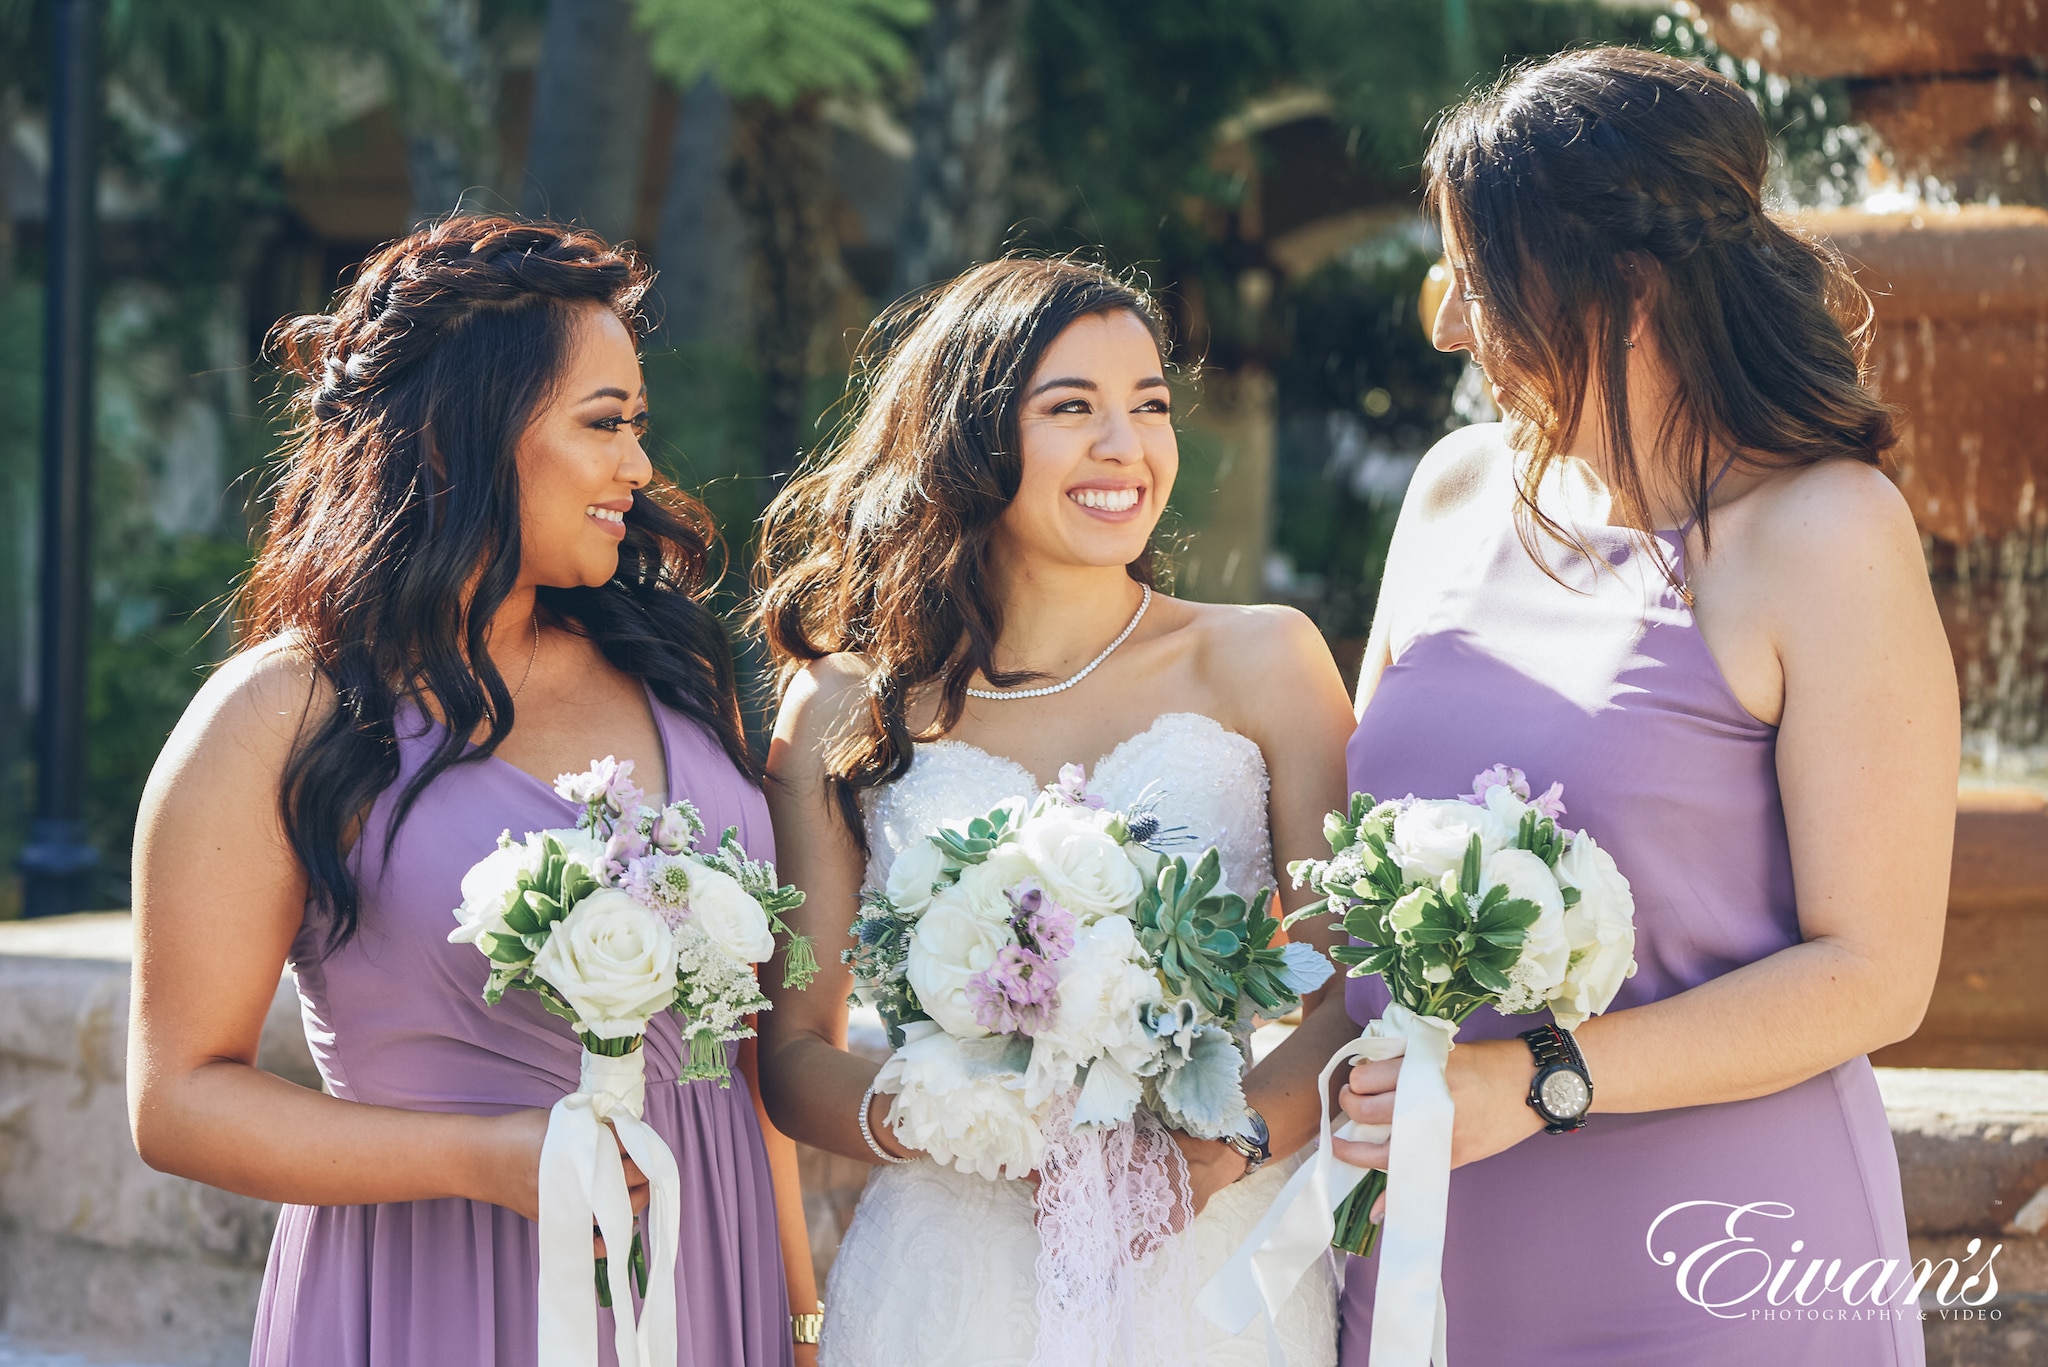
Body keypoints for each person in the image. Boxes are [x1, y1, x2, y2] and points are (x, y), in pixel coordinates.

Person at [1335, 48, 1956, 1364]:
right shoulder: (1453, 492)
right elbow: (1347, 873)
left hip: (1721, 1257)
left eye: (1478, 274)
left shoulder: (1824, 530)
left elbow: (1876, 970)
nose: (1449, 321)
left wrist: (1544, 1074)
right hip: (1426, 1240)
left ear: (1619, 284)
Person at [126, 215, 818, 1366]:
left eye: (637, 426)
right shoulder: (279, 718)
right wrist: (485, 1157)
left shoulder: (678, 669)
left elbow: (739, 1050)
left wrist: (797, 1316)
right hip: (433, 1288)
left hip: (710, 1275)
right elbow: (177, 1099)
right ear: (459, 438)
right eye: (603, 425)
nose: (638, 468)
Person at [751, 256, 1361, 1365]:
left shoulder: (1267, 660)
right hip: (948, 1278)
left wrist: (1223, 1147)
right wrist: (951, 1117)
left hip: (1208, 1270)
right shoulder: (845, 702)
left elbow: (1344, 991)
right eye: (1072, 407)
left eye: (1150, 406)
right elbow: (793, 1046)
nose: (1124, 445)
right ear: (970, 436)